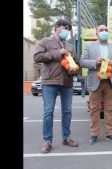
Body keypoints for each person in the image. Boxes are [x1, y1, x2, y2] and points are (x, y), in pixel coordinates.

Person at [34, 19, 79, 153]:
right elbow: (37, 57)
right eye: (64, 27)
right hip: (49, 82)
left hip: (67, 82)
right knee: (48, 112)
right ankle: (47, 141)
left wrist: (74, 70)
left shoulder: (70, 46)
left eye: (68, 29)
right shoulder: (45, 41)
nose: (66, 30)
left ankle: (66, 138)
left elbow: (77, 63)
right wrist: (57, 53)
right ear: (56, 27)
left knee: (67, 112)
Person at [80, 24, 112, 144]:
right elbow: (82, 61)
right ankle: (94, 134)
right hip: (95, 81)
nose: (104, 32)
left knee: (110, 109)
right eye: (101, 30)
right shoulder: (89, 46)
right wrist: (95, 62)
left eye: (106, 30)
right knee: (94, 109)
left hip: (110, 82)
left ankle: (109, 133)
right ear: (96, 33)